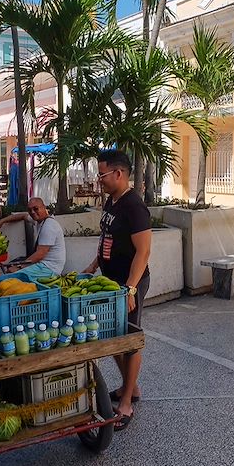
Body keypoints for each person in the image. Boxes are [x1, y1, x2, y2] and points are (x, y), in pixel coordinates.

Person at [82, 150, 151, 431]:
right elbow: (108, 239)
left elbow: (143, 252)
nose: (99, 180)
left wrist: (130, 289)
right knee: (114, 336)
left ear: (119, 174)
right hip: (111, 283)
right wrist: (92, 266)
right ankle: (130, 387)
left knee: (130, 340)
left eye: (102, 174)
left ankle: (126, 404)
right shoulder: (112, 202)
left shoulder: (134, 206)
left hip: (128, 284)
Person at [0, 197, 66, 280]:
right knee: (10, 266)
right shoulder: (38, 221)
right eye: (30, 210)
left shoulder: (49, 226)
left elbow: (40, 254)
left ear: (44, 208)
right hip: (42, 264)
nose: (32, 212)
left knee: (12, 277)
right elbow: (23, 216)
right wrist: (2, 221)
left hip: (49, 269)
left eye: (36, 209)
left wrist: (19, 267)